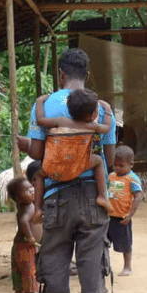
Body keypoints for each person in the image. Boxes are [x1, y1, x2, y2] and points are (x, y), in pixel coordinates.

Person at [18, 48, 117, 293]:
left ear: (60, 74)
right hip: (90, 195)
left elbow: (35, 153)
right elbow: (110, 158)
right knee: (91, 264)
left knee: (56, 263)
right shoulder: (99, 108)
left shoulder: (47, 105)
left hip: (54, 196)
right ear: (86, 75)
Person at [33, 89, 114, 220]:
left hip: (53, 168)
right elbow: (107, 127)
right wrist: (108, 110)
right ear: (93, 115)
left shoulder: (60, 121)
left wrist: (39, 101)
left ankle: (37, 209)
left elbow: (40, 120)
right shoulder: (92, 126)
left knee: (38, 175)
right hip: (78, 167)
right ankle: (102, 196)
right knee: (98, 161)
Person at [106, 145, 143, 276]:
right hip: (108, 216)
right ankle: (105, 266)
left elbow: (138, 196)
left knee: (126, 244)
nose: (117, 168)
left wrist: (130, 214)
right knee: (103, 243)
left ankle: (127, 267)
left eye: (121, 166)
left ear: (131, 164)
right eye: (115, 165)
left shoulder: (132, 178)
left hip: (122, 218)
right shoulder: (110, 176)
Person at [8, 177, 41, 293]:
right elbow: (23, 221)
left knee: (19, 268)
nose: (32, 190)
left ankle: (19, 290)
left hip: (21, 246)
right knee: (29, 268)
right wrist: (30, 237)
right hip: (25, 246)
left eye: (31, 187)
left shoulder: (28, 206)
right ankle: (30, 292)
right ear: (19, 198)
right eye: (27, 190)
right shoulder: (28, 208)